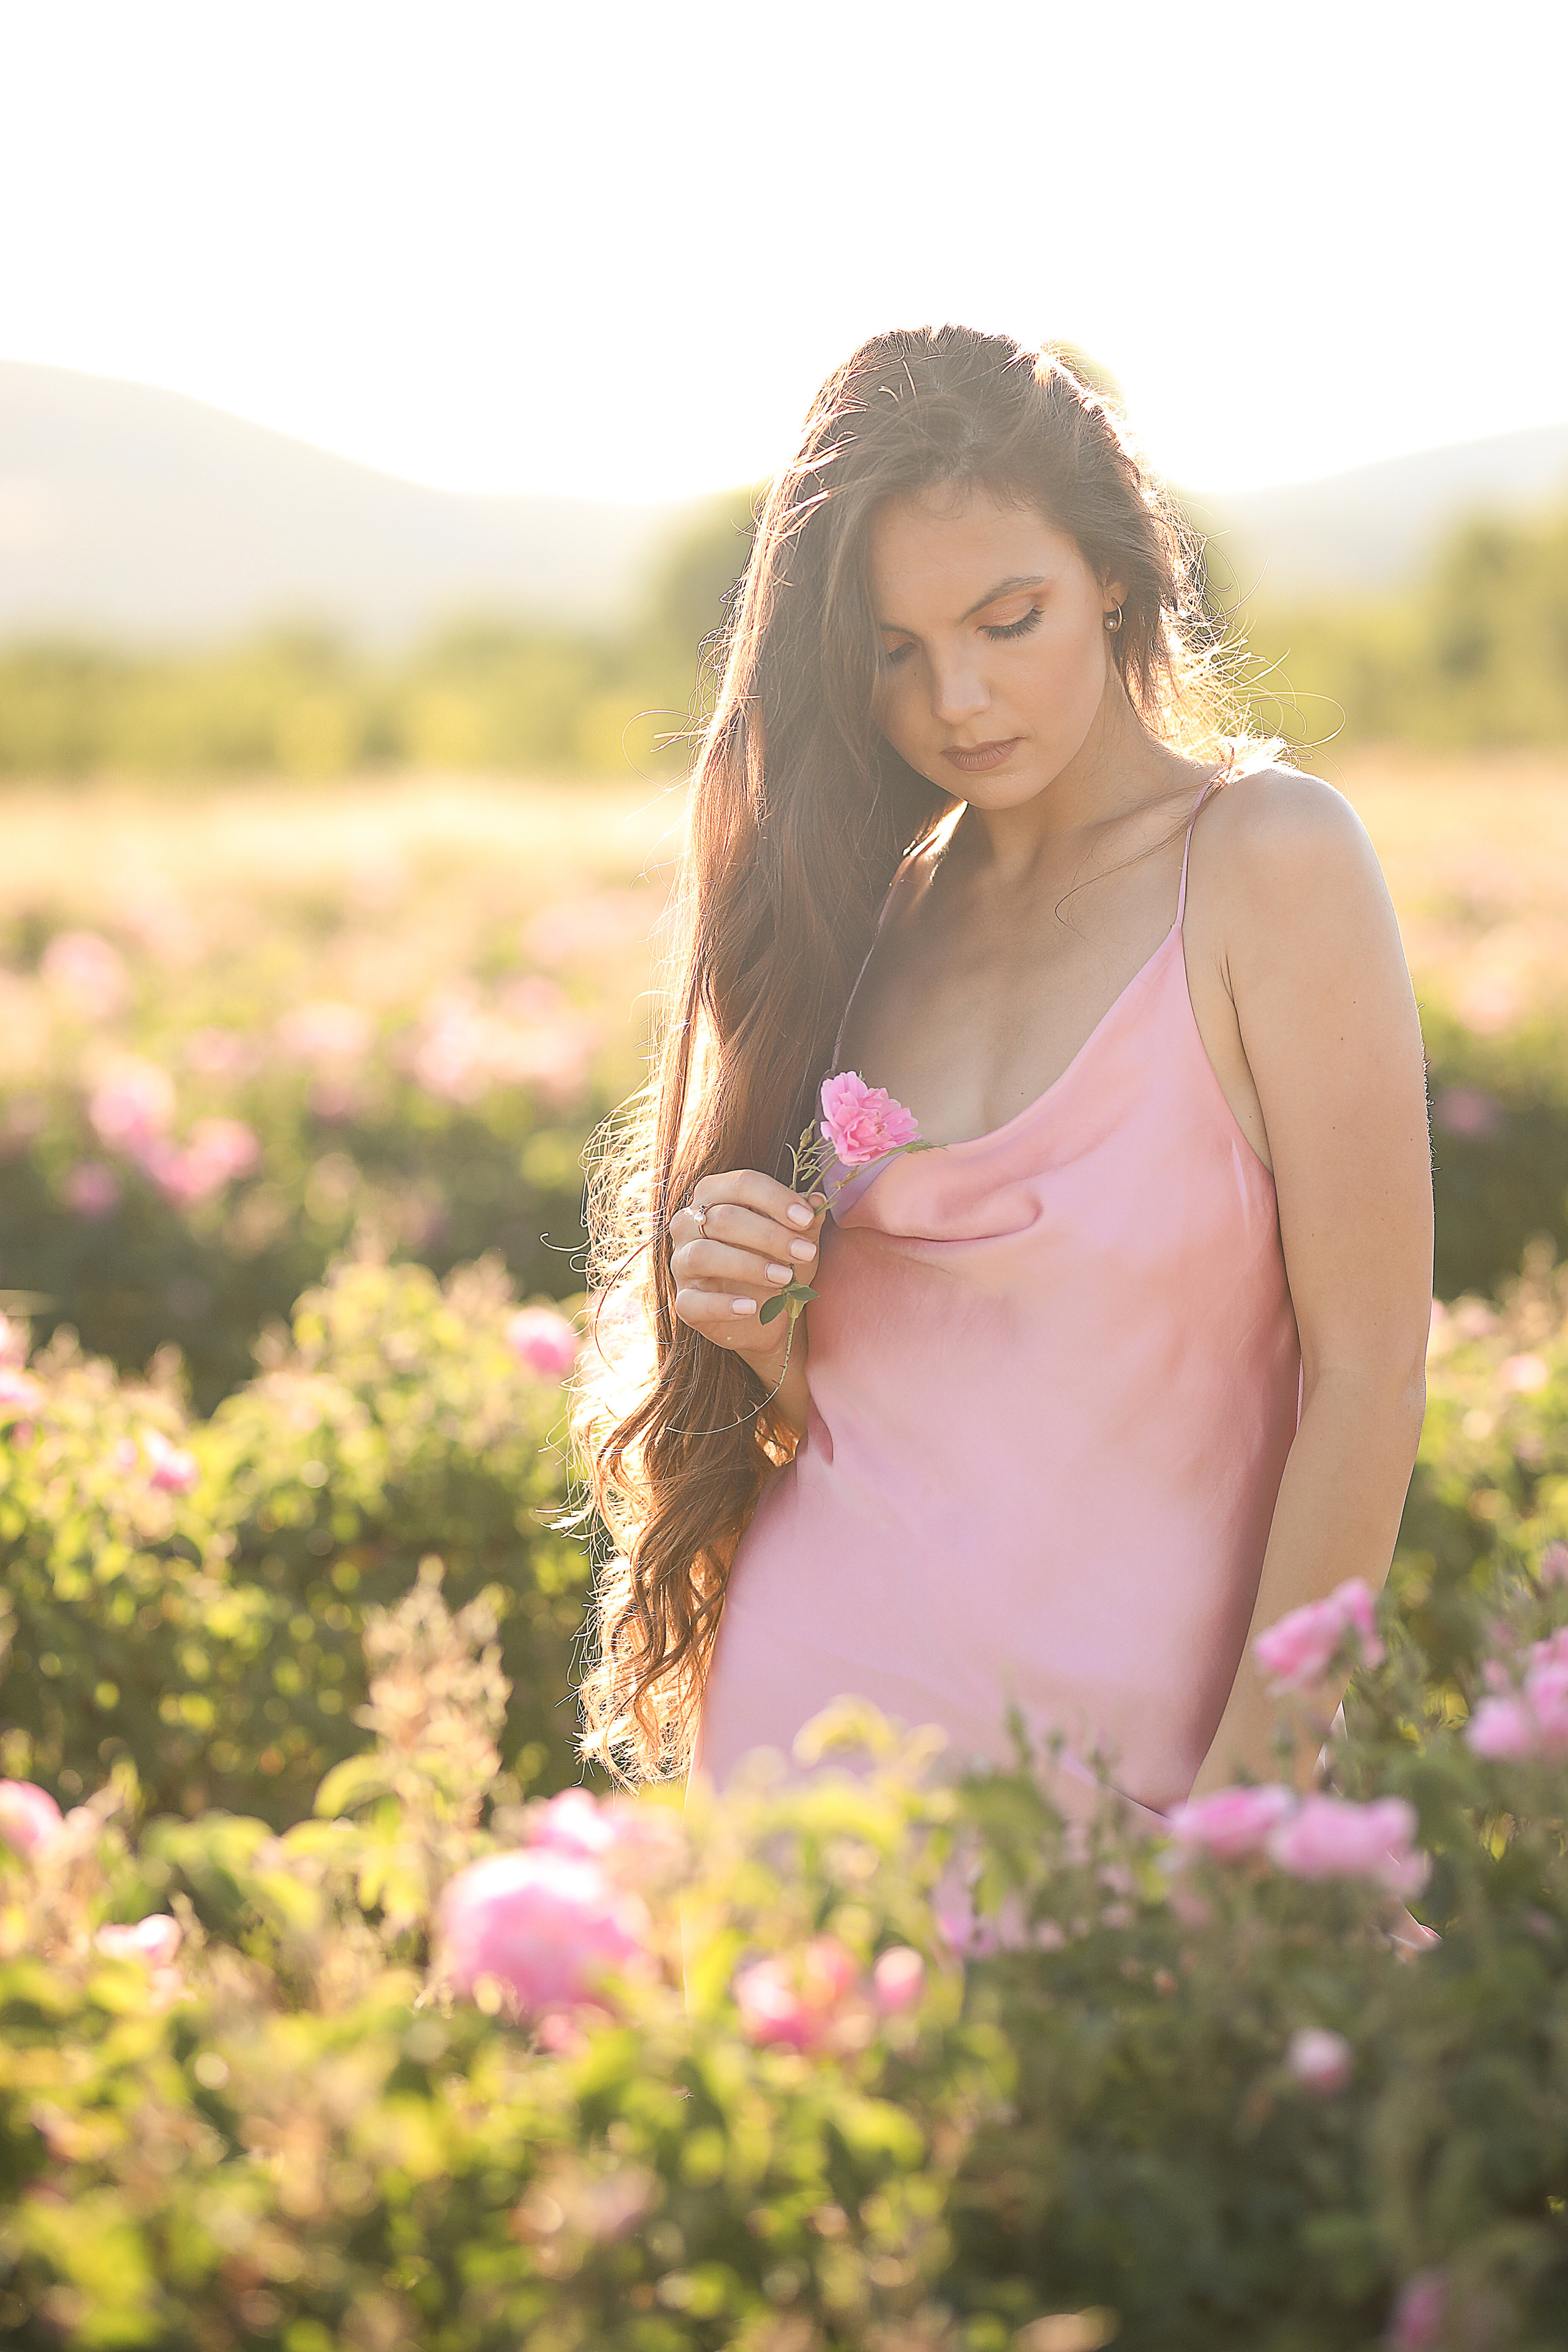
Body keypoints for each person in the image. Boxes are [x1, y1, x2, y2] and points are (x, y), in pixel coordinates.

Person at [576, 325, 1434, 1830]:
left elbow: (1364, 1376)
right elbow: (852, 1409)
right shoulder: (865, 918)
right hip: (807, 1755)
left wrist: (1258, 1798)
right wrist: (751, 1320)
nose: (956, 700)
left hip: (1145, 1776)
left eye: (1006, 618)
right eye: (893, 653)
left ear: (1111, 573)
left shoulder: (1264, 864)